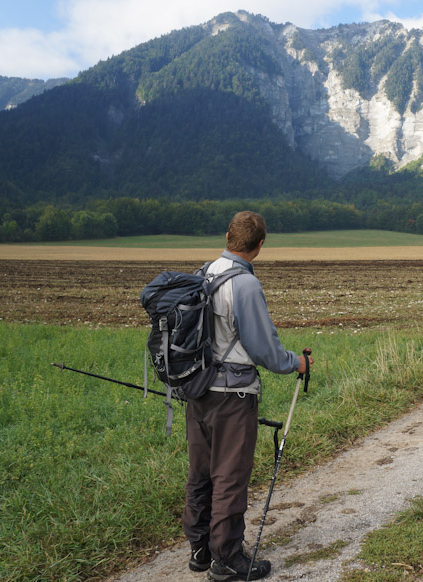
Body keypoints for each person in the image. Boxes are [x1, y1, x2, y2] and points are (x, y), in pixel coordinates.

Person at [183, 210, 312, 581]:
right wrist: (296, 363)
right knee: (230, 475)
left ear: (227, 237)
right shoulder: (245, 285)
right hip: (233, 396)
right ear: (260, 245)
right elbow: (263, 350)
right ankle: (226, 559)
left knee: (201, 472)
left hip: (197, 389)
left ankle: (200, 549)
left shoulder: (205, 272)